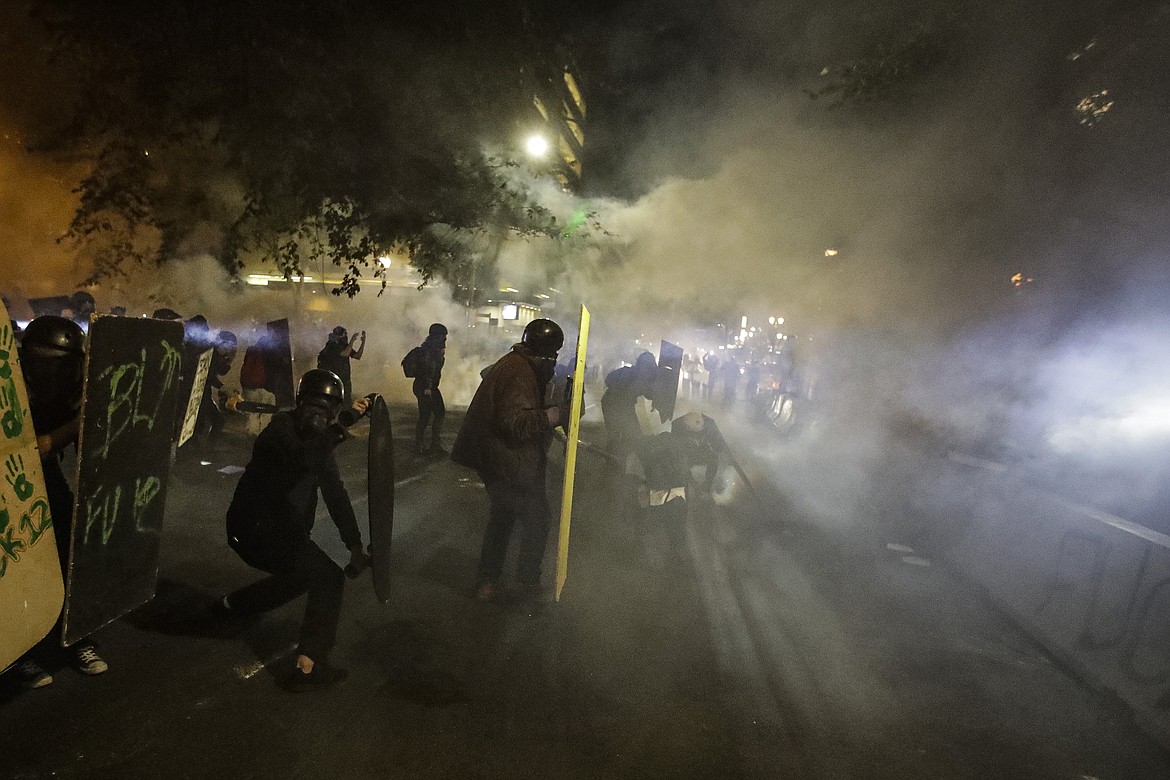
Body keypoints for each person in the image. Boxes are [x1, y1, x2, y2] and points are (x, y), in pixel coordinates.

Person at [217, 369, 370, 691]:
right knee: (326, 577)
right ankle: (308, 667)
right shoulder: (279, 432)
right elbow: (303, 458)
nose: (321, 416)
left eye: (328, 410)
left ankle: (237, 605)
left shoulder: (320, 444)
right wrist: (343, 425)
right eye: (315, 406)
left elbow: (336, 494)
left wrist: (355, 545)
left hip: (284, 533)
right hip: (254, 531)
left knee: (302, 574)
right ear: (300, 405)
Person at [10, 316, 108, 689]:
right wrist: (76, 425)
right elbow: (26, 453)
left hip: (47, 481)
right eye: (50, 363)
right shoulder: (12, 391)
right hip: (13, 486)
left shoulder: (69, 389)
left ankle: (75, 637)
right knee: (20, 567)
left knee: (70, 552)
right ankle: (19, 655)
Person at [451, 318, 568, 602]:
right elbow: (514, 421)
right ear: (545, 354)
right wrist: (554, 415)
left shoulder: (517, 363)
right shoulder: (519, 372)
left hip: (500, 456)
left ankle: (487, 581)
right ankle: (525, 584)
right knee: (537, 519)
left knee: (503, 517)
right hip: (504, 457)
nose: (553, 363)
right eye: (552, 357)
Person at [600, 351, 659, 462]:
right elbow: (648, 393)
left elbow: (609, 379)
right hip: (618, 405)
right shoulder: (641, 376)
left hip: (611, 403)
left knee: (616, 434)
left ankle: (612, 460)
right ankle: (617, 461)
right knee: (631, 434)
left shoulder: (629, 371)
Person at [405, 323, 448, 456]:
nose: (445, 339)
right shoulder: (431, 351)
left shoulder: (427, 348)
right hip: (426, 387)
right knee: (437, 413)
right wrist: (428, 387)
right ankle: (432, 445)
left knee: (425, 415)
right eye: (443, 336)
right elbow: (429, 370)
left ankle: (422, 445)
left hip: (422, 386)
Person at [316, 325, 365, 405]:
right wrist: (352, 340)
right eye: (344, 334)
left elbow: (357, 356)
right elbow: (345, 354)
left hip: (345, 378)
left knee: (346, 401)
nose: (345, 337)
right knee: (335, 400)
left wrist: (363, 342)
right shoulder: (331, 345)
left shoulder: (344, 345)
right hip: (335, 379)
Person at [239, 330, 275, 436]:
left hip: (249, 387)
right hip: (258, 387)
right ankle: (262, 431)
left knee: (253, 411)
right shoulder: (261, 354)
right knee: (266, 408)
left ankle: (253, 432)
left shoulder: (252, 351)